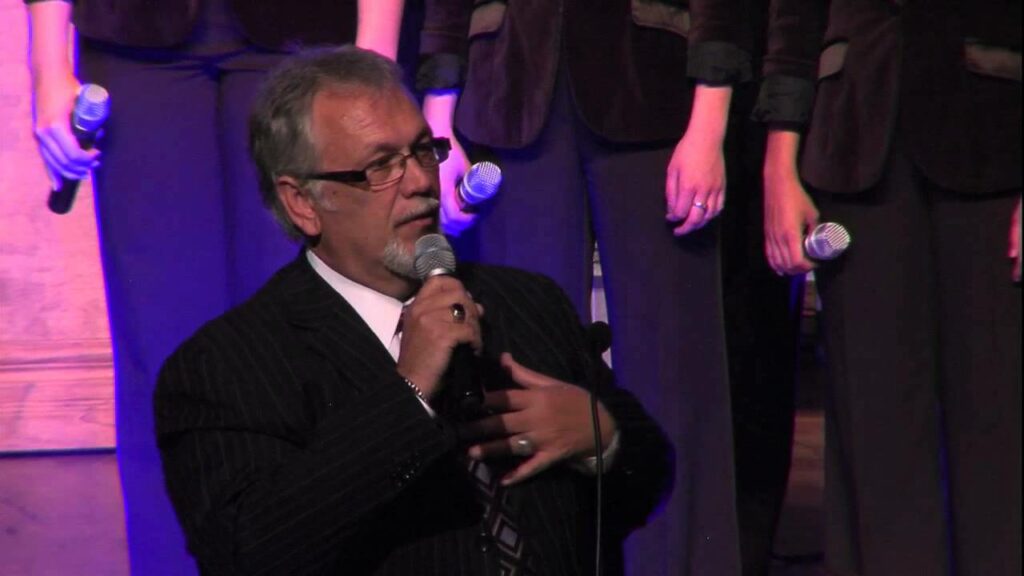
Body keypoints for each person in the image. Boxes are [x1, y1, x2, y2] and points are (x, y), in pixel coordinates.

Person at [154, 46, 673, 575]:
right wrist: (410, 392)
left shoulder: (528, 301)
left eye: (424, 151)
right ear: (303, 202)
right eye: (381, 166)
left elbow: (650, 477)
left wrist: (602, 437)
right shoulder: (225, 367)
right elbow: (247, 555)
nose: (423, 182)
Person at [25, 1, 405, 574]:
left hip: (308, 42)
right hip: (135, 42)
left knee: (310, 339)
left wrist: (374, 58)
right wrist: (47, 64)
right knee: (163, 348)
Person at [417, 2, 750, 573]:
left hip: (654, 88)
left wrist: (710, 119)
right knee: (519, 361)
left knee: (675, 368)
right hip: (510, 94)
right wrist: (438, 122)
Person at [754, 1, 1022, 574]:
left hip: (997, 135)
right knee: (876, 427)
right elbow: (794, 16)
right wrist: (780, 162)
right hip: (856, 135)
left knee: (998, 425)